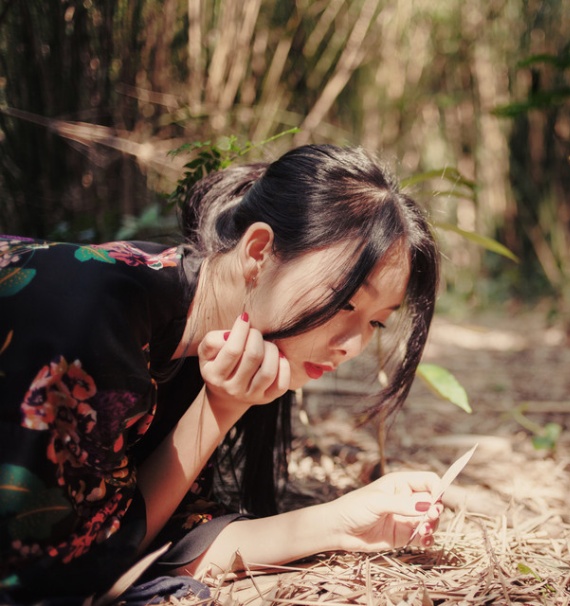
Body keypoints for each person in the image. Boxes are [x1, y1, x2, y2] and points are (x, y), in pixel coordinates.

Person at [0, 144, 445, 603]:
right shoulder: (90, 318)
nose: (352, 345)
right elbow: (61, 575)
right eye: (345, 300)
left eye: (375, 321)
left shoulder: (230, 344)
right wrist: (218, 408)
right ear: (259, 252)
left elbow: (162, 537)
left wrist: (347, 522)